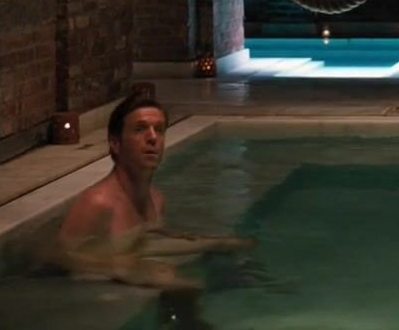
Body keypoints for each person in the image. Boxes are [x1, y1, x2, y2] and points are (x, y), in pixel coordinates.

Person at [49, 93, 253, 290]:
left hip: (123, 275)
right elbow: (57, 258)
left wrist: (214, 243)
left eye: (159, 130)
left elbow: (147, 244)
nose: (153, 137)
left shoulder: (156, 200)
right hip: (94, 293)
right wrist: (125, 268)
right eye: (140, 129)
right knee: (183, 288)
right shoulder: (97, 203)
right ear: (115, 143)